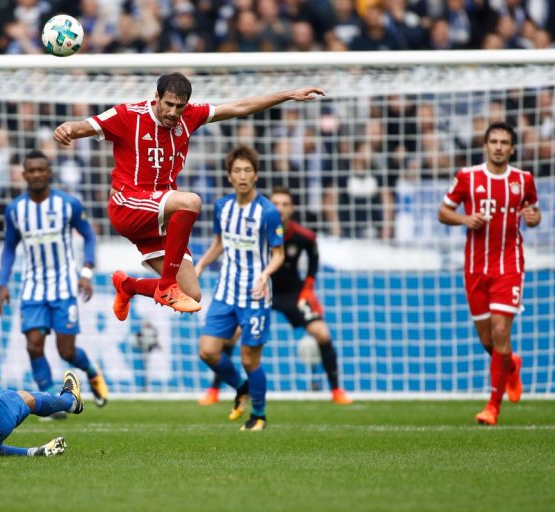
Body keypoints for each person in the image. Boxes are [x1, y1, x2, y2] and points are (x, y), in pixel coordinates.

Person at [54, 72, 324, 320]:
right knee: (191, 201)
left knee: (192, 294)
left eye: (179, 106)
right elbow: (83, 126)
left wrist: (287, 95)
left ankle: (128, 286)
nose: (173, 112)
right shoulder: (128, 115)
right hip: (128, 204)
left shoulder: (191, 116)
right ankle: (166, 286)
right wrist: (67, 128)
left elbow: (239, 107)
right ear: (156, 97)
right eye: (168, 104)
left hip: (159, 215)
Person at [198, 187, 353, 406]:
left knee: (321, 333)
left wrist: (308, 289)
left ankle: (336, 390)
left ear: (292, 209)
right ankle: (214, 390)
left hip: (291, 293)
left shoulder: (304, 237)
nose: (279, 208)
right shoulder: (254, 230)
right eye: (276, 204)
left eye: (285, 204)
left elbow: (313, 262)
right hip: (258, 290)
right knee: (230, 336)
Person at [438, 121, 540, 426]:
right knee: (488, 340)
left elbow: (534, 213)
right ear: (485, 146)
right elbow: (443, 212)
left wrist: (533, 217)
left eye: (504, 142)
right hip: (475, 268)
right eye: (493, 141)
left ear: (512, 148)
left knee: (500, 331)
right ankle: (511, 365)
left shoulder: (523, 180)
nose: (498, 147)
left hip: (509, 266)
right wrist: (465, 219)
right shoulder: (467, 177)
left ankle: (492, 408)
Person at [0, 150, 108, 411]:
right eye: (31, 171)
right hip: (32, 288)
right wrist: (3, 284)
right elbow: (9, 248)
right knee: (34, 346)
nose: (36, 174)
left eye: (41, 170)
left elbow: (89, 236)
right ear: (24, 175)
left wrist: (87, 272)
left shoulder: (68, 204)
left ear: (49, 172)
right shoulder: (15, 209)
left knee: (66, 352)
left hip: (64, 287)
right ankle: (50, 402)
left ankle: (92, 372)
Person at [194, 146, 285, 431]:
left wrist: (265, 274)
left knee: (249, 358)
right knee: (207, 351)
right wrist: (200, 265)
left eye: (247, 170)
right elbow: (220, 242)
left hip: (256, 294)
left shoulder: (268, 212)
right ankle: (242, 387)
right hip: (225, 291)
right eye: (237, 171)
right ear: (229, 176)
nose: (242, 176)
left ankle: (259, 415)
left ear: (256, 175)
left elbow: (279, 254)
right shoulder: (222, 207)